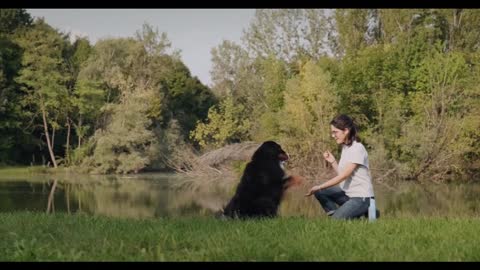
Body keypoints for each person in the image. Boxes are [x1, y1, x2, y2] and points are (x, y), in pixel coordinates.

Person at [305, 114, 378, 220]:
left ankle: (365, 211)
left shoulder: (357, 148)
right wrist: (333, 161)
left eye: (335, 132)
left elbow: (343, 176)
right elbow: (343, 173)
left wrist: (319, 186)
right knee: (320, 192)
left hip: (361, 197)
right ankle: (347, 216)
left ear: (346, 130)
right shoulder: (346, 147)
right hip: (348, 195)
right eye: (332, 132)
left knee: (335, 219)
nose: (333, 135)